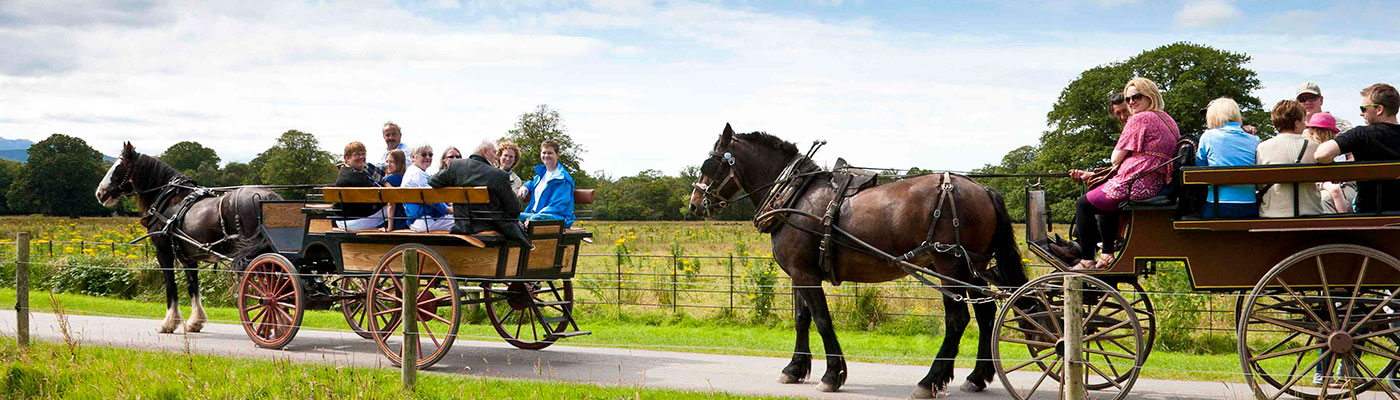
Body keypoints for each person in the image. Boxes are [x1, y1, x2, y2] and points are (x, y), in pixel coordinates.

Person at [1061, 78, 1180, 270]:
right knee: (1106, 198)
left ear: (1150, 95)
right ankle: (1107, 254)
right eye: (1129, 98)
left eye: (1136, 97)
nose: (1132, 102)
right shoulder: (1168, 119)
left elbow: (1114, 159)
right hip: (1155, 182)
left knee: (1083, 204)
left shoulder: (1141, 118)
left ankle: (1087, 260)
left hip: (1138, 182)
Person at [429, 139, 531, 247]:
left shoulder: (456, 166)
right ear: (484, 151)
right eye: (494, 152)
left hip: (462, 227)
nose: (496, 156)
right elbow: (514, 209)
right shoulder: (498, 175)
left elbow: (433, 181)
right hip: (491, 229)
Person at [1316, 83, 1400, 213]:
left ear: (1379, 109)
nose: (1361, 114)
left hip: (1369, 215)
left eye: (1363, 108)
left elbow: (1321, 154)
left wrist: (1341, 172)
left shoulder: (1361, 134)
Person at [1196, 97, 1260, 219]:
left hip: (1217, 207)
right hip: (1249, 207)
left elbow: (1200, 167)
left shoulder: (1208, 137)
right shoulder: (1254, 140)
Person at [1257, 100, 1323, 218]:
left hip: (1273, 213)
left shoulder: (1263, 147)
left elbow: (1259, 185)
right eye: (1304, 120)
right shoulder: (1313, 147)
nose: (1305, 124)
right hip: (1311, 211)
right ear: (1297, 123)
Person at [519, 139, 577, 228]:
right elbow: (532, 183)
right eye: (544, 153)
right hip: (535, 215)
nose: (546, 155)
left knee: (536, 219)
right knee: (512, 216)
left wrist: (534, 217)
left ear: (557, 155)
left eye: (550, 153)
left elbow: (557, 206)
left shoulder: (562, 179)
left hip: (557, 217)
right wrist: (525, 186)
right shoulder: (542, 174)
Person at [1306, 113, 1356, 213]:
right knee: (1335, 190)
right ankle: (1345, 219)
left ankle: (1343, 219)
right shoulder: (1334, 148)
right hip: (1323, 182)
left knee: (1334, 190)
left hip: (1324, 182)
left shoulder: (1312, 148)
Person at [334, 141, 387, 230]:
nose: (361, 157)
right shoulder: (354, 176)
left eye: (363, 154)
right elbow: (383, 195)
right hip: (354, 221)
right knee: (396, 205)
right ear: (347, 158)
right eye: (357, 154)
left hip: (345, 220)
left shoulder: (348, 172)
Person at [401, 145, 454, 232]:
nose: (428, 157)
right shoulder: (417, 174)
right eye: (424, 154)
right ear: (413, 157)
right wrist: (449, 209)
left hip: (418, 220)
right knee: (463, 221)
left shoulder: (413, 172)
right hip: (425, 220)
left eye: (430, 155)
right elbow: (432, 198)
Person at [383, 149, 410, 230]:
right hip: (408, 220)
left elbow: (391, 204)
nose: (388, 164)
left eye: (391, 162)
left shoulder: (390, 179)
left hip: (397, 222)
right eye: (387, 161)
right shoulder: (406, 178)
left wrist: (389, 228)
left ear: (399, 163)